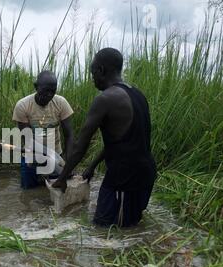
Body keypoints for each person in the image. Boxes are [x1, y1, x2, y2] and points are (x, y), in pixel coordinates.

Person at [52, 48, 157, 228]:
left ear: (101, 70)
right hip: (145, 174)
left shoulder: (105, 99)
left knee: (105, 231)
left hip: (123, 180)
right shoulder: (137, 94)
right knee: (129, 229)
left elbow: (79, 146)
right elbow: (120, 142)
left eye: (92, 72)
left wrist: (62, 178)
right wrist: (92, 166)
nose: (92, 78)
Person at [12, 71, 75, 189]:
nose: (49, 95)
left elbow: (69, 135)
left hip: (56, 155)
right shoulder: (23, 106)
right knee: (29, 194)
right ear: (36, 87)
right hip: (31, 156)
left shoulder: (61, 103)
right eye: (45, 91)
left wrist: (67, 163)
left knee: (54, 191)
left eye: (53, 91)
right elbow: (28, 139)